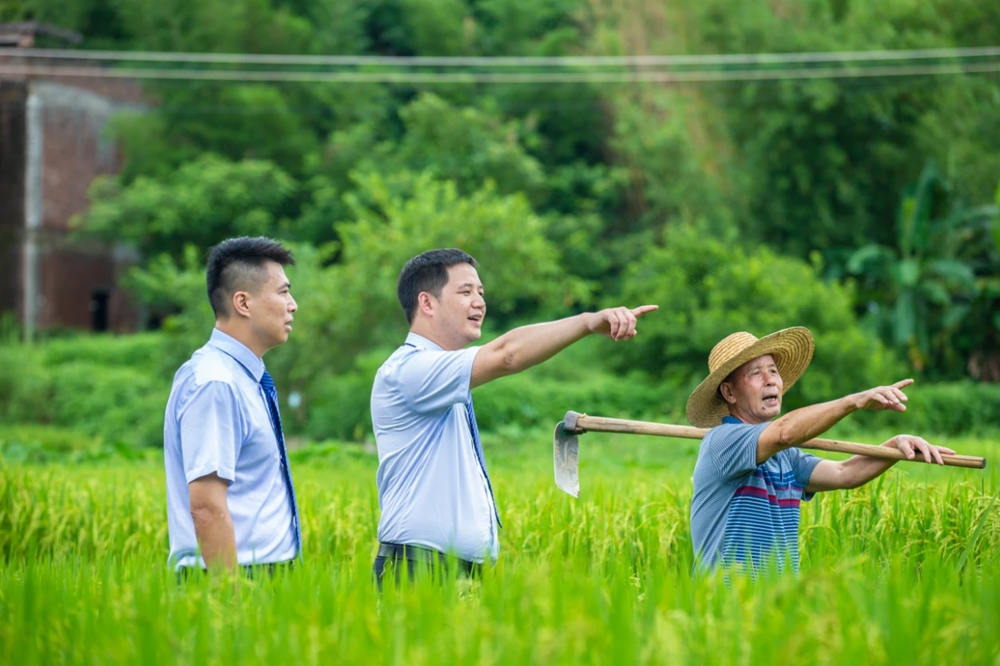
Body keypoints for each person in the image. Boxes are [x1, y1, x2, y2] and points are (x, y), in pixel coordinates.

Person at [371, 248, 657, 584]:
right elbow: (506, 354)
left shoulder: (443, 377)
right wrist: (586, 322)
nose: (479, 302)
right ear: (427, 303)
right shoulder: (409, 370)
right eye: (465, 292)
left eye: (481, 293)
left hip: (459, 571)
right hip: (418, 567)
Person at [686, 327, 953, 575]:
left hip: (777, 604)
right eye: (756, 373)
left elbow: (845, 473)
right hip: (728, 602)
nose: (770, 381)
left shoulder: (785, 456)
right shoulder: (724, 441)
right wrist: (852, 402)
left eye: (773, 371)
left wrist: (894, 446)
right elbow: (785, 431)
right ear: (729, 393)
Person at [164, 236, 301, 576]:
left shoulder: (243, 378)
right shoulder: (216, 382)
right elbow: (206, 506)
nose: (293, 305)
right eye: (283, 292)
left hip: (266, 575)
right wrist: (230, 594)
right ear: (243, 302)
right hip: (235, 577)